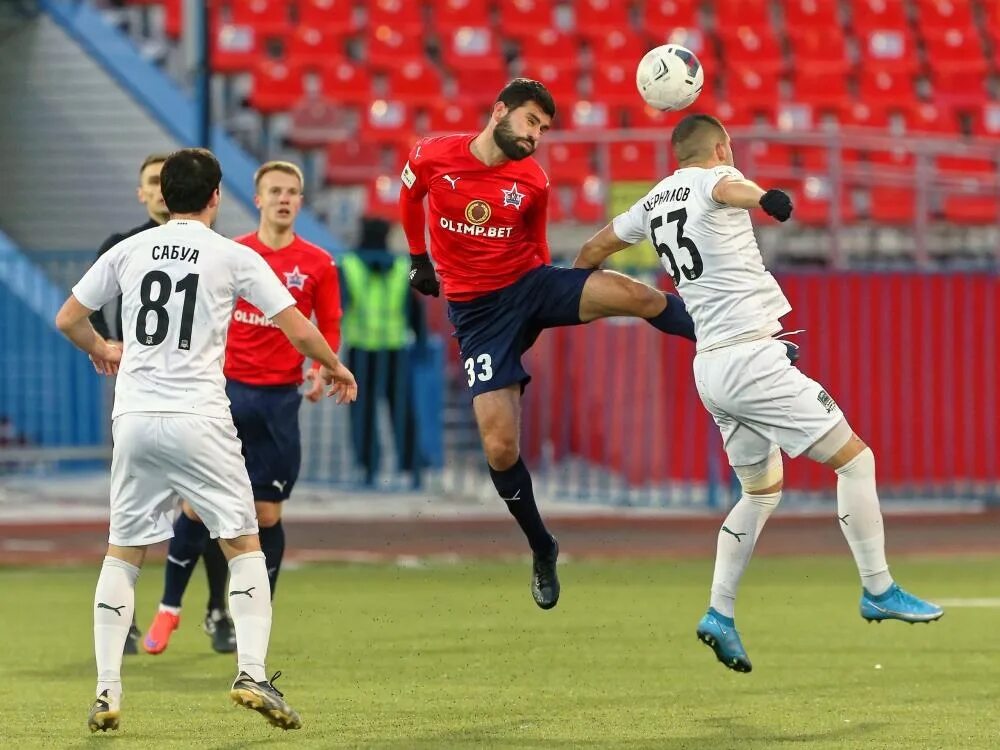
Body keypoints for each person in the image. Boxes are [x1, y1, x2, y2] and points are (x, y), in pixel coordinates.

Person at [573, 113, 943, 673]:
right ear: (721, 146)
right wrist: (765, 196)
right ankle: (879, 588)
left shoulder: (650, 203)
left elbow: (594, 248)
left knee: (762, 491)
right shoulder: (715, 178)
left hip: (711, 368)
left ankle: (719, 612)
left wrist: (579, 289)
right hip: (750, 358)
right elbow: (730, 188)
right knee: (856, 462)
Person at [55, 147, 357, 732]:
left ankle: (105, 691)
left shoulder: (127, 250)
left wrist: (104, 349)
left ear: (163, 197)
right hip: (201, 417)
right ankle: (251, 671)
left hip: (136, 418)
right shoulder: (232, 255)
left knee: (124, 550)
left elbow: (69, 316)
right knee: (244, 544)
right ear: (217, 197)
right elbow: (297, 327)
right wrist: (336, 367)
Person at [399, 79, 699, 610]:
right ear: (499, 112)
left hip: (530, 286)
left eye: (543, 128)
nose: (536, 136)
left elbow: (537, 246)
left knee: (635, 293)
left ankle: (738, 339)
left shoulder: (533, 180)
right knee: (500, 446)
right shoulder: (431, 155)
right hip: (478, 316)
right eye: (531, 122)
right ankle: (542, 547)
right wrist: (418, 257)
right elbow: (409, 196)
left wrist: (548, 303)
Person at [142, 160, 344, 655]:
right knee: (195, 503)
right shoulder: (230, 254)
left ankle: (255, 613)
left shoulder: (318, 263)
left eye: (292, 191)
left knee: (266, 514)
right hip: (225, 396)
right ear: (256, 198)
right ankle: (169, 608)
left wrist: (321, 368)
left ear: (300, 201)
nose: (283, 198)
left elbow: (329, 323)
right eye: (274, 190)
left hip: (278, 402)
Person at [90, 153, 232, 655]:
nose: (156, 189)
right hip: (143, 394)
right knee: (136, 516)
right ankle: (127, 620)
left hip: (193, 395)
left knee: (205, 508)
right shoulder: (124, 246)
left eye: (161, 180)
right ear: (143, 192)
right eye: (148, 181)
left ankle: (217, 608)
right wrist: (109, 345)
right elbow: (89, 309)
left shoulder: (213, 247)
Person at [340, 216, 426, 486]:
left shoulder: (350, 265)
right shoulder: (402, 266)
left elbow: (338, 307)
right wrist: (421, 343)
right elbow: (416, 311)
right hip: (394, 350)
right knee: (402, 410)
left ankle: (368, 469)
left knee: (363, 413)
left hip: (361, 350)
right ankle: (412, 470)